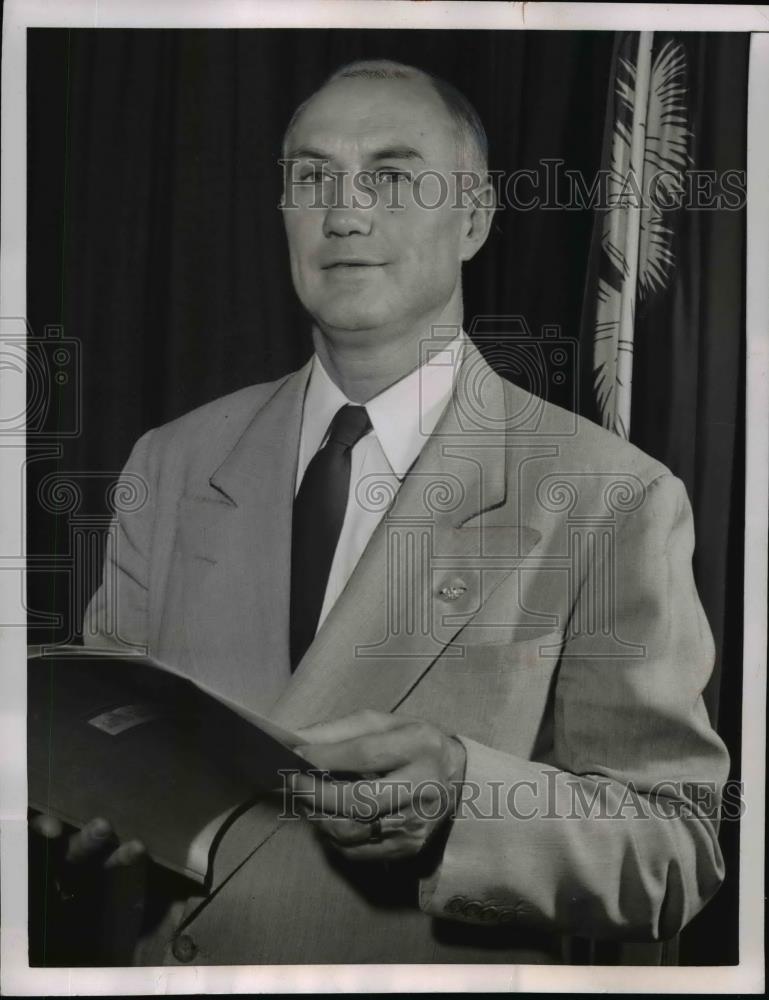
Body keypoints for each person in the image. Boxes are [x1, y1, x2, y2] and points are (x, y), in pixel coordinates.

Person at [35, 59, 729, 965]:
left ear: (473, 217)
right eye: (313, 177)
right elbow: (108, 748)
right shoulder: (172, 463)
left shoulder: (609, 495)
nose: (345, 211)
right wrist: (71, 813)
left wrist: (465, 799)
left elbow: (673, 848)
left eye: (393, 176)